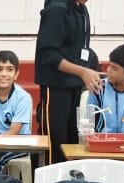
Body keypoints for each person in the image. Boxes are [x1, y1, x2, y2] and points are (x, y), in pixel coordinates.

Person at [36, 0, 101, 164]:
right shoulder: (57, 10)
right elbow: (48, 55)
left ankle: (69, 178)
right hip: (56, 87)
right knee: (55, 142)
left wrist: (87, 71)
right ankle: (52, 180)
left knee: (72, 142)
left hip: (75, 85)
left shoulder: (82, 9)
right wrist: (82, 72)